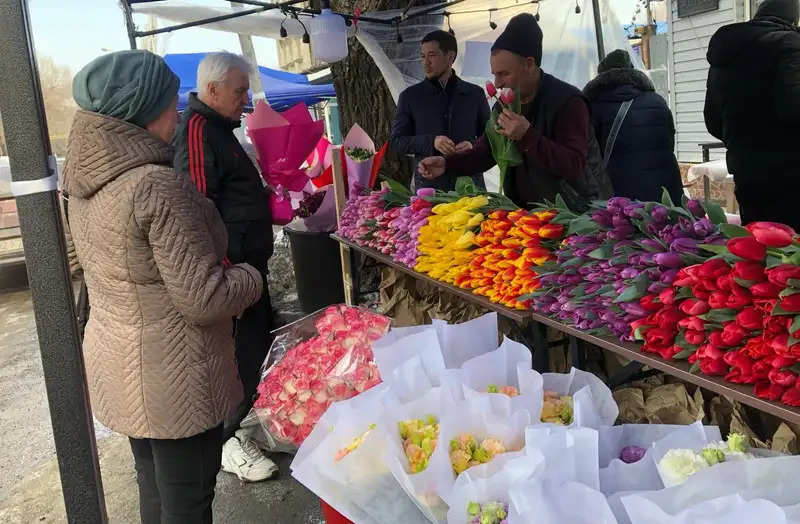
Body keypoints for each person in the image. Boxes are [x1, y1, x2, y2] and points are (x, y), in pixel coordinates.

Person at [63, 50, 263, 524]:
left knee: (156, 490)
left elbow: (85, 265)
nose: (177, 111)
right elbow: (205, 298)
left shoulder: (87, 182)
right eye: (169, 102)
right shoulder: (155, 185)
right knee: (188, 499)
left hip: (125, 366)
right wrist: (251, 276)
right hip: (176, 376)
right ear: (144, 109)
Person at [173, 52, 278, 482]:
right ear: (212, 90)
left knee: (255, 356)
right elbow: (198, 213)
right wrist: (223, 277)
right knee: (242, 361)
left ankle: (240, 429)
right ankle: (226, 442)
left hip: (248, 272)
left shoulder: (220, 130)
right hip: (232, 279)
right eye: (239, 92)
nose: (245, 100)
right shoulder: (197, 131)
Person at [418, 14, 612, 210]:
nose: (497, 83)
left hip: (578, 216)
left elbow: (574, 165)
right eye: (494, 74)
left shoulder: (569, 102)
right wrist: (447, 164)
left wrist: (526, 136)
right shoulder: (504, 105)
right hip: (528, 218)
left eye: (504, 74)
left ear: (529, 64)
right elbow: (486, 152)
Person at [704, 0, 800, 228]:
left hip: (745, 168)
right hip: (791, 172)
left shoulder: (724, 56)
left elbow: (713, 121)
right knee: (790, 250)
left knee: (757, 247)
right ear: (793, 19)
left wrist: (742, 142)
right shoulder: (791, 45)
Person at [390, 30, 491, 191]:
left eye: (432, 55)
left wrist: (472, 145)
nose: (426, 63)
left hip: (470, 187)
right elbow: (396, 142)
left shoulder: (475, 94)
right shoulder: (410, 97)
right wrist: (431, 141)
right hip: (430, 190)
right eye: (423, 56)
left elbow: (491, 136)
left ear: (450, 57)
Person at [583, 49, 683, 203]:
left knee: (628, 225)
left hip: (621, 188)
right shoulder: (657, 100)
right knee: (665, 225)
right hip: (666, 187)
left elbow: (591, 152)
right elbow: (669, 142)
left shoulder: (594, 104)